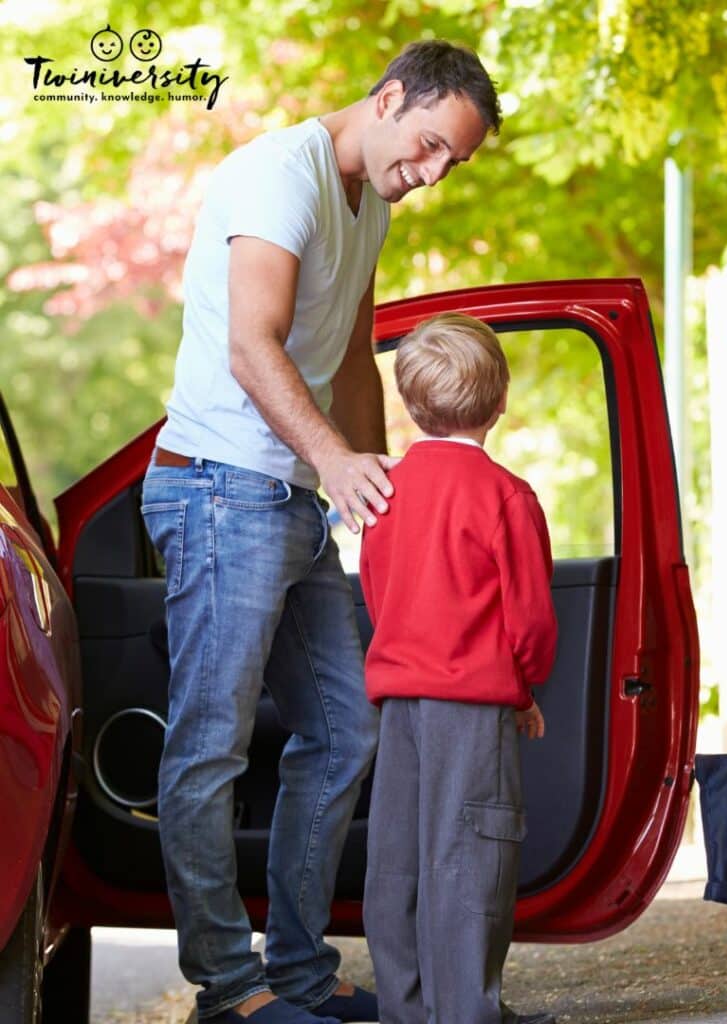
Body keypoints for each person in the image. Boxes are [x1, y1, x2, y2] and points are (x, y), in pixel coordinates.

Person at [140, 42, 502, 1024]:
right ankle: (231, 989)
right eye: (427, 145)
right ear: (387, 99)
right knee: (208, 748)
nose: (430, 174)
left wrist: (397, 499)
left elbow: (350, 358)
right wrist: (335, 462)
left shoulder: (370, 204)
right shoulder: (276, 175)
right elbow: (252, 343)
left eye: (450, 164)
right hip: (218, 489)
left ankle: (298, 973)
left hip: (290, 500)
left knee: (346, 731)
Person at [358, 313, 559, 1024]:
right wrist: (523, 687)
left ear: (411, 407)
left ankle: (407, 1011)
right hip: (473, 706)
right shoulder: (506, 496)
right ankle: (466, 1012)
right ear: (500, 401)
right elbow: (529, 617)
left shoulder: (383, 490)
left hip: (400, 702)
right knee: (470, 858)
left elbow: (377, 593)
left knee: (399, 861)